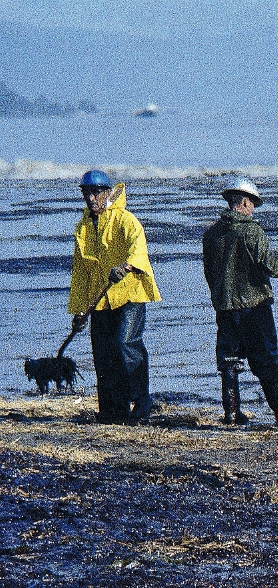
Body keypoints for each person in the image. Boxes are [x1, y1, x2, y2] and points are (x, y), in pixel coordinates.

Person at [68, 169, 161, 424]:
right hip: (100, 300)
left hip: (129, 294)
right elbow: (80, 273)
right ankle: (112, 411)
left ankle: (141, 402)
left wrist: (126, 266)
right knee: (104, 353)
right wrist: (79, 310)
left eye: (96, 192)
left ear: (107, 193)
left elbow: (137, 247)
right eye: (86, 193)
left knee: (126, 344)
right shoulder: (83, 227)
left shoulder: (125, 220)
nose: (91, 198)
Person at [201, 177, 278, 425]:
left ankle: (231, 413)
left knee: (229, 361)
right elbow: (270, 266)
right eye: (252, 204)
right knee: (267, 360)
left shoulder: (211, 234)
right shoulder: (252, 231)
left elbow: (209, 273)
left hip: (226, 307)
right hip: (255, 308)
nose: (253, 209)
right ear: (243, 202)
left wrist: (220, 296)